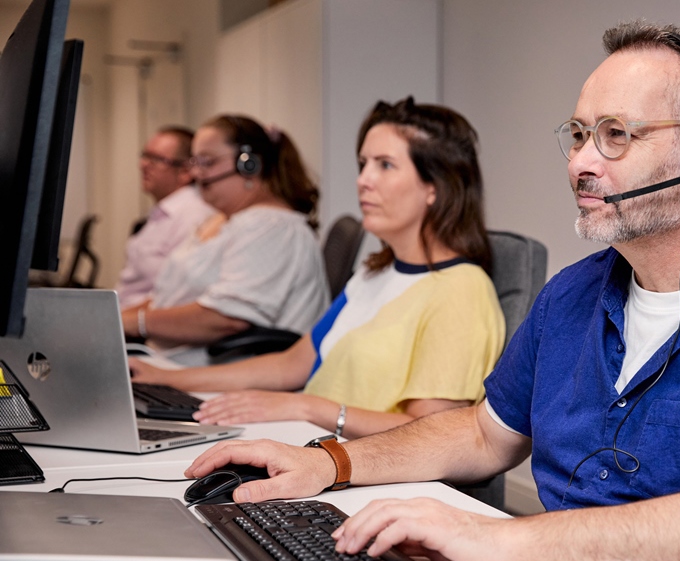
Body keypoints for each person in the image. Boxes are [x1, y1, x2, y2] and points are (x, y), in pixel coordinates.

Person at [185, 22, 680, 561]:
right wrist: (331, 463)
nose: (580, 164)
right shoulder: (574, 293)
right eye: (576, 134)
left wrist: (500, 539)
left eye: (616, 135)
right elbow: (483, 432)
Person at [130, 98, 505, 437]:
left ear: (434, 186)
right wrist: (170, 378)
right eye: (363, 164)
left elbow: (431, 434)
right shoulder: (375, 273)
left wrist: (306, 406)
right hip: (311, 447)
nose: (363, 180)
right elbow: (290, 365)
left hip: (368, 474)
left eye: (385, 165)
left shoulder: (461, 291)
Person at [121, 115, 330, 366]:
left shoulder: (272, 228)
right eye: (195, 161)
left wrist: (138, 323)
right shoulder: (226, 220)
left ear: (249, 165)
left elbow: (227, 318)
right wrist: (116, 320)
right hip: (174, 363)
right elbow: (170, 297)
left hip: (222, 380)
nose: (197, 172)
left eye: (208, 162)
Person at [116, 126, 219, 309]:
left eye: (156, 159)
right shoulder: (163, 212)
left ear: (186, 172)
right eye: (145, 156)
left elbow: (175, 295)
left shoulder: (193, 216)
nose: (144, 165)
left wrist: (121, 321)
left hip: (143, 325)